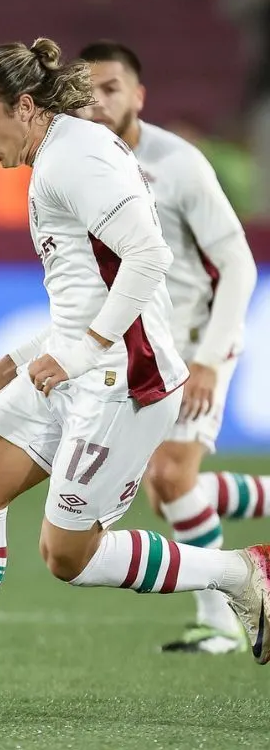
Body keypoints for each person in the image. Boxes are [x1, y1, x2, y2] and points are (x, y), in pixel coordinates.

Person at [0, 38, 270, 710]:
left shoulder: (75, 159)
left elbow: (148, 258)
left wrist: (83, 353)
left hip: (123, 382)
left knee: (68, 557)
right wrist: (6, 365)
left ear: (25, 107)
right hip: (78, 370)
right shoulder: (58, 155)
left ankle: (240, 572)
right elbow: (84, 297)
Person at [77, 40, 261, 655]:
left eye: (112, 88)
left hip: (195, 342)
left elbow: (237, 264)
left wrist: (211, 355)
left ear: (138, 95)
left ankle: (223, 621)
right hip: (143, 343)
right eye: (89, 90)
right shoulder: (82, 163)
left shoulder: (178, 164)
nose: (99, 101)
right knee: (167, 493)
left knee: (170, 473)